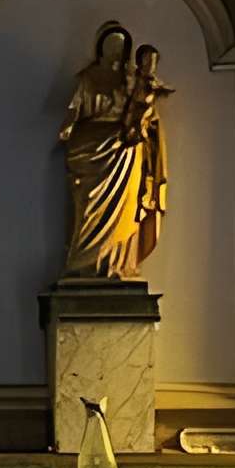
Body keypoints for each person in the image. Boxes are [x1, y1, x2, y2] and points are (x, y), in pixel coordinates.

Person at [58, 21, 170, 281]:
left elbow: (146, 111)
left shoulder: (133, 79)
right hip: (91, 150)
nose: (116, 50)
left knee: (125, 211)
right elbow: (75, 110)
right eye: (111, 44)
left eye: (121, 45)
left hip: (125, 150)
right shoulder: (87, 78)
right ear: (100, 47)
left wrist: (145, 114)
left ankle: (119, 263)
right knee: (87, 209)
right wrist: (67, 127)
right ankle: (84, 263)